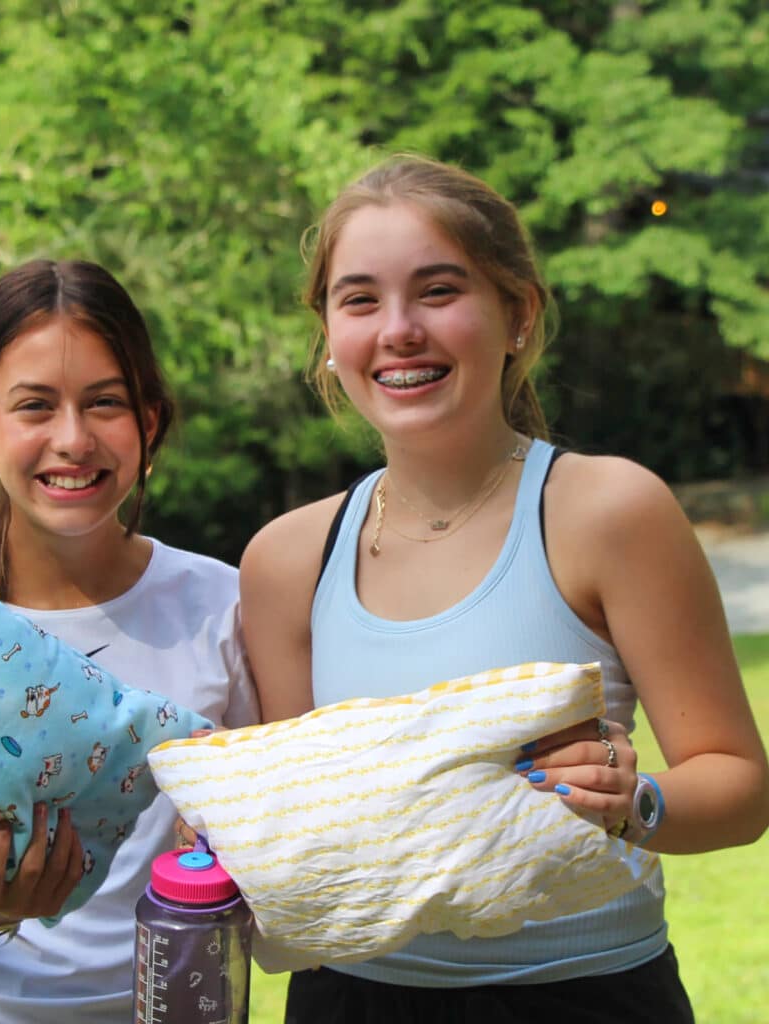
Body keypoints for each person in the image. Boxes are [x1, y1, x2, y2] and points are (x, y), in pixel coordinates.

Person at [239, 155, 769, 1023]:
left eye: (439, 291)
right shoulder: (286, 559)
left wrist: (635, 802)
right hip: (351, 1002)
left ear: (517, 314)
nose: (399, 330)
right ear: (330, 335)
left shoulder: (610, 511)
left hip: (588, 999)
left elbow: (741, 788)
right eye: (361, 299)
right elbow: (308, 835)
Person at [0, 259, 259, 1023]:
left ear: (150, 423)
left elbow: (272, 843)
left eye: (105, 403)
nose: (73, 439)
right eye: (35, 406)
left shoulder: (226, 604)